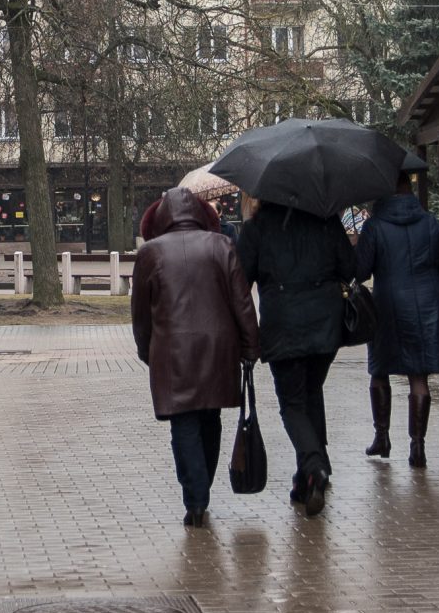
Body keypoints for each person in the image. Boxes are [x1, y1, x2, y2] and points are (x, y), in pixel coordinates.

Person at [130, 186, 259, 528]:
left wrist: (147, 350)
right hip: (218, 349)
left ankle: (196, 497)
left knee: (183, 424)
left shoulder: (151, 254)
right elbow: (242, 302)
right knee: (210, 419)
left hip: (172, 351)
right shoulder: (221, 245)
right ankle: (202, 491)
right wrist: (249, 347)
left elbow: (140, 313)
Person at [237, 198, 355, 513]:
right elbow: (351, 267)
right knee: (311, 392)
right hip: (325, 324)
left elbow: (240, 281)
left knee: (292, 404)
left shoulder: (256, 228)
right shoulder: (326, 220)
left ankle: (315, 465)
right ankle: (309, 476)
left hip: (282, 325)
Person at [355, 175, 439, 468]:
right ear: (409, 189)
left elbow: (361, 270)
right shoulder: (430, 222)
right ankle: (417, 446)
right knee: (419, 375)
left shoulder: (374, 225)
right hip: (425, 305)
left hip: (386, 304)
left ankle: (382, 437)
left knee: (379, 369)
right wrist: (432, 286)